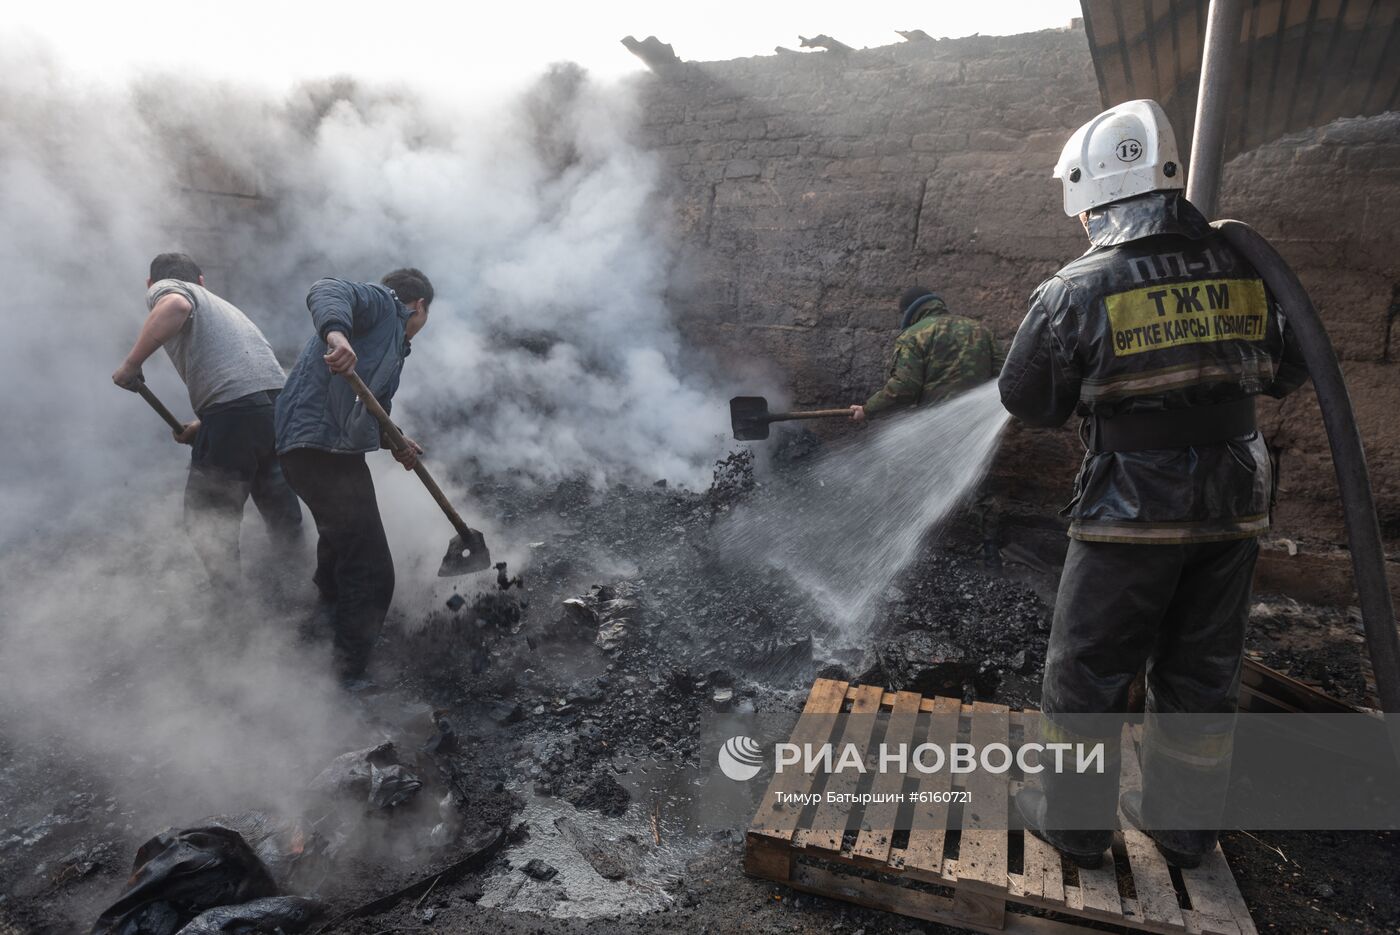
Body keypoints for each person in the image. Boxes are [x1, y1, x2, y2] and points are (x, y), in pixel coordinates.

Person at [999, 100, 1308, 869]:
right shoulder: (1247, 268)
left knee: (1090, 667)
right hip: (1235, 505)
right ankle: (1182, 827)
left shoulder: (1076, 287)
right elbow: (1295, 369)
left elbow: (1026, 399)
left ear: (1096, 195)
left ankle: (1071, 823)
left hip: (1128, 514)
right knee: (1203, 670)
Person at [275, 269, 432, 686]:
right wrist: (337, 336)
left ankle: (317, 639)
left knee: (339, 550)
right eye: (425, 316)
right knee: (372, 570)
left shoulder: (393, 350)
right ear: (419, 306)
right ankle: (345, 678)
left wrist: (396, 440)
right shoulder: (385, 304)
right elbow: (326, 288)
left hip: (320, 451)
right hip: (321, 447)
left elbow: (372, 408)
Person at [112, 252, 302, 597]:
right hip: (275, 410)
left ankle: (229, 606)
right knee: (279, 504)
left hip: (235, 412)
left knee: (207, 514)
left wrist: (131, 363)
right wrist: (205, 425)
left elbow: (175, 308)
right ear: (203, 280)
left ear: (150, 284)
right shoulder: (224, 308)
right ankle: (294, 590)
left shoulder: (171, 289)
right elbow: (252, 385)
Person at [848, 286, 999, 422]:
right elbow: (1004, 375)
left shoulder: (913, 335)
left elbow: (904, 387)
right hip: (980, 420)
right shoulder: (982, 330)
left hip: (938, 422)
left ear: (909, 312)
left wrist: (868, 409)